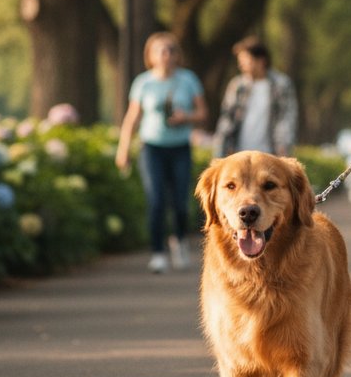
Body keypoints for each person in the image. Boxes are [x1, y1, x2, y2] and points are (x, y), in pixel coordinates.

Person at [115, 32, 208, 273]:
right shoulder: (143, 83)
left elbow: (202, 113)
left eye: (171, 50)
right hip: (151, 147)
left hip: (180, 147)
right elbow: (132, 117)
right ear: (151, 56)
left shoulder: (188, 80)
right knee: (156, 200)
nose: (166, 55)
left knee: (180, 202)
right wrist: (123, 148)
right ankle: (157, 253)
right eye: (161, 50)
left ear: (178, 55)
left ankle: (178, 240)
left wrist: (186, 117)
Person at [213, 36, 298, 157]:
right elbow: (226, 120)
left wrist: (283, 148)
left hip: (270, 153)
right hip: (239, 152)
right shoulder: (237, 86)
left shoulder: (281, 85)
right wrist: (221, 150)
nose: (240, 65)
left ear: (261, 60)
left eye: (245, 59)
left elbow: (286, 120)